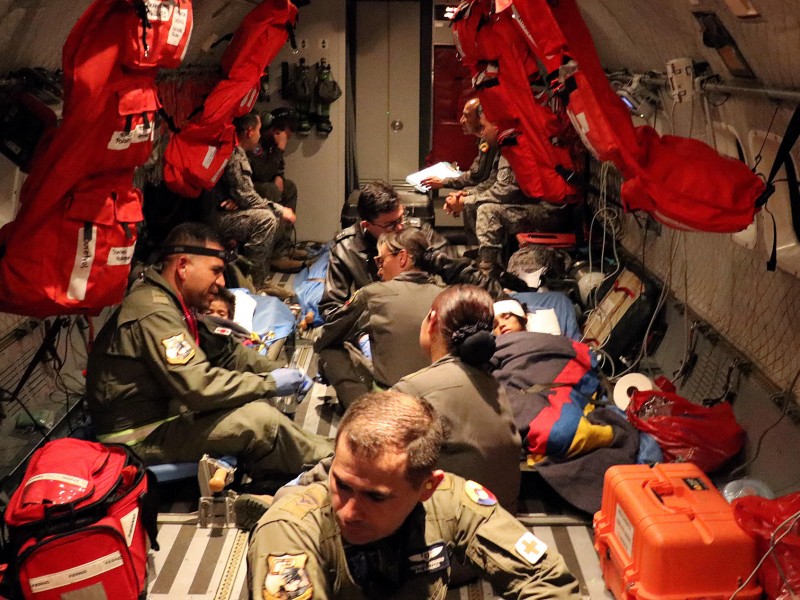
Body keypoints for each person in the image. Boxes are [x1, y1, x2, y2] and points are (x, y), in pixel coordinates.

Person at [247, 391, 580, 599]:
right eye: (342, 484)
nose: (348, 511)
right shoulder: (289, 529)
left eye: (375, 497)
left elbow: (546, 578)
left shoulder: (451, 499)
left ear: (427, 488)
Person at [85, 222, 333, 479]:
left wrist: (278, 370)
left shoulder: (174, 301)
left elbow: (227, 352)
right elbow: (199, 388)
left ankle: (327, 454)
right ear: (183, 267)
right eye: (215, 271)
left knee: (249, 398)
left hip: (167, 413)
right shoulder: (155, 311)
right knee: (259, 421)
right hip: (138, 436)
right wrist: (269, 382)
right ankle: (335, 464)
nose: (222, 282)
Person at [392, 284, 522, 513]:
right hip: (503, 518)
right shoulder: (492, 383)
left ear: (432, 321)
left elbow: (360, 452)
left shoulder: (414, 388)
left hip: (448, 527)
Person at [315, 228, 445, 408]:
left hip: (389, 406)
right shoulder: (448, 297)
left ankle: (360, 413)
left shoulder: (373, 294)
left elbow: (328, 335)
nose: (379, 271)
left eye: (381, 261)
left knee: (329, 350)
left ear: (402, 257)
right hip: (438, 402)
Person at [444, 113, 570, 271]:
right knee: (475, 201)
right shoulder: (504, 146)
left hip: (551, 211)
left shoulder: (514, 145)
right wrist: (466, 196)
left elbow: (504, 191)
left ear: (497, 128)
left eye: (483, 128)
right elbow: (492, 182)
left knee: (487, 211)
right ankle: (489, 256)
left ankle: (488, 271)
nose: (481, 133)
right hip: (530, 202)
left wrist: (465, 202)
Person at [319, 180, 450, 320]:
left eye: (401, 218)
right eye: (390, 225)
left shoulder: (419, 233)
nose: (400, 227)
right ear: (366, 225)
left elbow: (454, 273)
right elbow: (331, 310)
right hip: (373, 322)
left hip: (421, 316)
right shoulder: (346, 248)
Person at [212, 112, 303, 284]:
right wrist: (280, 209)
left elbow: (243, 194)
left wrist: (238, 200)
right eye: (259, 130)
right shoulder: (236, 156)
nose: (260, 135)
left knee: (277, 200)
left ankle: (270, 264)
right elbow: (249, 195)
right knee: (266, 219)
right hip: (215, 216)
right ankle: (255, 284)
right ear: (249, 132)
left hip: (222, 208)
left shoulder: (235, 149)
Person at [247, 107, 307, 263]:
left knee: (290, 188)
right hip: (251, 187)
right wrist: (280, 148)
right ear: (276, 130)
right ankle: (276, 255)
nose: (287, 138)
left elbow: (279, 165)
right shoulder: (257, 144)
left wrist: (280, 176)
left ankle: (283, 247)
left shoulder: (271, 144)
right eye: (286, 134)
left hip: (265, 182)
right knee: (271, 190)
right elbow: (261, 173)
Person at [420, 98, 498, 193]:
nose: (461, 120)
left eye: (466, 116)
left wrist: (446, 182)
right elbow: (477, 175)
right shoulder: (483, 139)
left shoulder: (492, 141)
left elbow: (481, 178)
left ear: (480, 118)